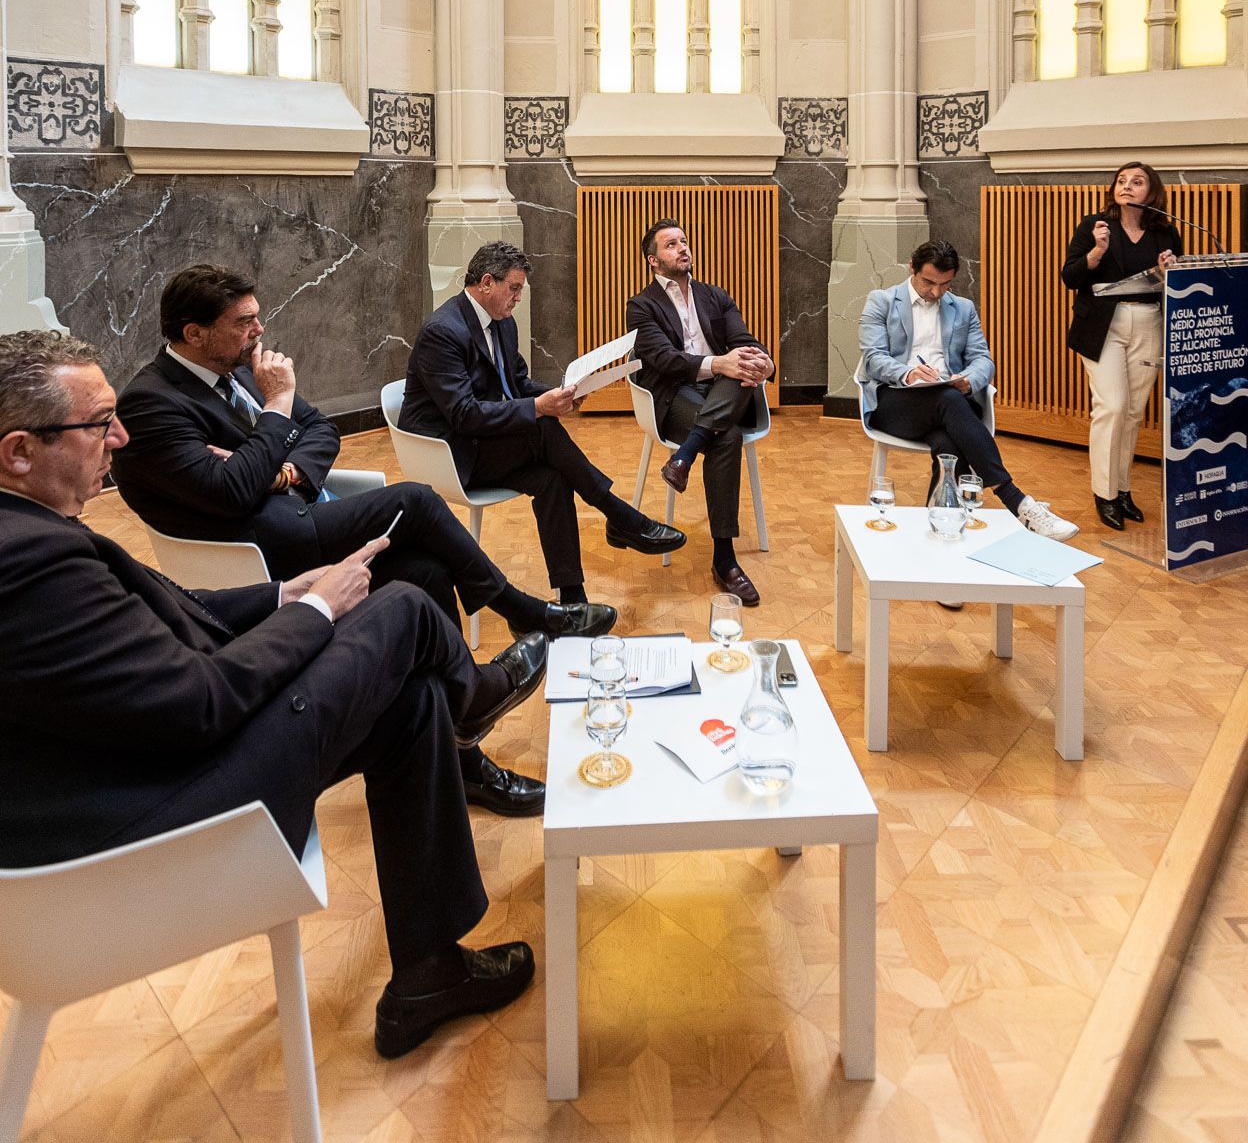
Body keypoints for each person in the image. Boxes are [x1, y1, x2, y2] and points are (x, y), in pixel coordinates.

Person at [0, 330, 547, 1060]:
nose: (120, 438)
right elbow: (200, 704)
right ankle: (475, 698)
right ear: (19, 450)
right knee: (405, 605)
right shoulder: (29, 560)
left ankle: (428, 972)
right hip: (164, 826)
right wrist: (314, 610)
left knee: (410, 703)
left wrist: (286, 592)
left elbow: (170, 610)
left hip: (148, 769)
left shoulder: (25, 533)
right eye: (100, 424)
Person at [112, 263, 611, 819]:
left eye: (257, 317)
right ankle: (520, 612)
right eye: (243, 322)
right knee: (418, 500)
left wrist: (282, 473)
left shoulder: (237, 370)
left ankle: (462, 748)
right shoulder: (151, 403)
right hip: (259, 547)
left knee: (426, 571)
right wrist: (277, 412)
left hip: (292, 509)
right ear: (193, 333)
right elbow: (231, 494)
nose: (259, 332)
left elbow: (322, 430)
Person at [401, 241, 685, 603]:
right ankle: (619, 515)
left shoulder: (502, 324)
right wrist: (539, 407)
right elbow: (464, 414)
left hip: (481, 443)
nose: (518, 298)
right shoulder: (442, 331)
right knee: (542, 427)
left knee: (552, 478)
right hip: (448, 452)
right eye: (514, 288)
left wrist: (562, 394)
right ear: (487, 282)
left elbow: (517, 382)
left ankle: (572, 598)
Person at [859, 238, 1078, 542]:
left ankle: (939, 530)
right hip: (897, 402)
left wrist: (969, 379)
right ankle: (1017, 502)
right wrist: (908, 373)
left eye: (945, 284)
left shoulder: (962, 308)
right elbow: (873, 358)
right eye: (929, 282)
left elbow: (983, 360)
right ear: (912, 267)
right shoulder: (881, 301)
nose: (935, 292)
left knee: (949, 442)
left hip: (948, 405)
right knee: (948, 401)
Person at [626, 219, 773, 606]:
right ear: (653, 261)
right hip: (678, 395)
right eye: (671, 244)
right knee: (728, 435)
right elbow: (665, 359)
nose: (682, 248)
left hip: (725, 390)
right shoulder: (642, 306)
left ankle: (685, 456)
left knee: (740, 367)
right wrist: (719, 364)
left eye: (684, 241)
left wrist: (766, 363)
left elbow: (743, 341)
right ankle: (725, 560)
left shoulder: (714, 295)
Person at [1061, 160, 1183, 531]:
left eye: (1137, 181)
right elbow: (1070, 276)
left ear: (1152, 191)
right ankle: (1104, 493)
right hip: (1103, 325)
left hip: (1148, 322)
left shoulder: (1165, 233)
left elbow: (1174, 284)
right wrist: (1096, 252)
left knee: (1133, 412)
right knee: (1112, 406)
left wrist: (1169, 271)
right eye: (1121, 180)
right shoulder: (1095, 225)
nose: (1127, 186)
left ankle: (1124, 489)